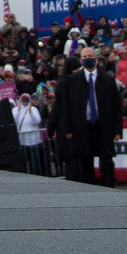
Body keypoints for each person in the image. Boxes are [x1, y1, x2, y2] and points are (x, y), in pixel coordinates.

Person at [50, 45, 120, 186]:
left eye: (91, 57)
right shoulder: (71, 81)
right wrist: (67, 129)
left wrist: (118, 130)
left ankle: (110, 189)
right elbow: (64, 108)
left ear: (96, 59)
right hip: (82, 127)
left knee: (107, 161)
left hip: (102, 127)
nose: (88, 59)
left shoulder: (107, 80)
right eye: (85, 57)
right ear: (81, 60)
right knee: (85, 162)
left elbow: (116, 107)